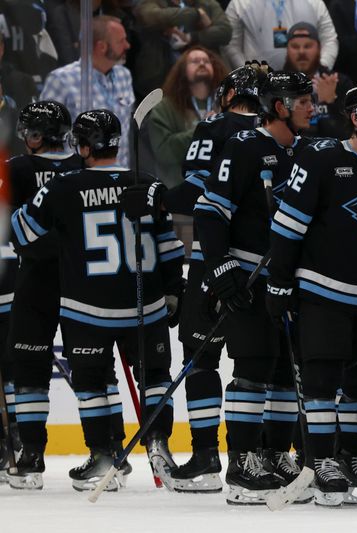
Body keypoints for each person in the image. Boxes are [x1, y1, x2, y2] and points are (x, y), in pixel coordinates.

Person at [9, 109, 185, 492]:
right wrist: (174, 290)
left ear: (85, 147)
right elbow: (170, 246)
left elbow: (21, 231)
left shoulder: (64, 186)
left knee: (92, 383)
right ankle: (159, 444)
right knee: (155, 376)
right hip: (144, 305)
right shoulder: (147, 182)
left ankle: (102, 455)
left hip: (88, 308)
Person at [265, 84, 357, 507]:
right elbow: (288, 225)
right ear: (355, 118)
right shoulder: (321, 158)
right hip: (321, 290)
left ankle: (351, 458)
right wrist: (279, 281)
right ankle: (322, 460)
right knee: (322, 378)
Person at [121, 63, 267, 494]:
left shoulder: (216, 128)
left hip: (214, 261)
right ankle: (264, 455)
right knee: (263, 363)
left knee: (201, 358)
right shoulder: (281, 135)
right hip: (265, 266)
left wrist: (157, 198)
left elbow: (198, 194)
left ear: (228, 95)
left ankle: (206, 455)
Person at [192, 70, 315, 504]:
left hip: (289, 283)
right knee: (254, 367)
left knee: (284, 371)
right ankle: (241, 462)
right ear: (280, 106)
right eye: (304, 101)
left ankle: (274, 454)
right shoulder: (243, 147)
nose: (312, 108)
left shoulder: (309, 151)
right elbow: (210, 212)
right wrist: (221, 269)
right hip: (249, 279)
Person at [2, 102, 83, 490]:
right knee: (95, 371)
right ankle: (108, 451)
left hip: (35, 281)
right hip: (83, 283)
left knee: (28, 371)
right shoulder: (83, 167)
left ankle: (31, 455)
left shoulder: (17, 169)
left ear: (37, 136)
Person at [39, 15, 135, 167]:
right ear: (102, 46)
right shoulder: (62, 79)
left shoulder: (124, 76)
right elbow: (44, 137)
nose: (127, 45)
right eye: (121, 41)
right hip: (78, 175)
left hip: (119, 173)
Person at [144, 46, 228, 189]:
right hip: (180, 189)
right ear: (182, 70)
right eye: (195, 61)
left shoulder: (226, 103)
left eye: (206, 61)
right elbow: (163, 153)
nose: (202, 63)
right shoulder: (165, 108)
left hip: (218, 190)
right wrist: (202, 128)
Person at [132, 0, 232, 98]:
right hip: (163, 80)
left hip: (209, 79)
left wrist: (191, 37)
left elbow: (225, 32)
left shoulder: (206, 3)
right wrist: (196, 14)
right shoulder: (149, 3)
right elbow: (150, 16)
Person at [283, 22, 354, 140]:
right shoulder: (278, 85)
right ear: (287, 50)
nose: (301, 52)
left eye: (307, 46)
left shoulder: (339, 83)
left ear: (319, 48)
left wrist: (329, 105)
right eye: (295, 47)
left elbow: (348, 135)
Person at [223, 0, 338, 71]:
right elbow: (230, 44)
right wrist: (248, 74)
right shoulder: (240, 3)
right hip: (257, 87)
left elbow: (329, 40)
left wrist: (320, 71)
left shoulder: (315, 3)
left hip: (306, 85)